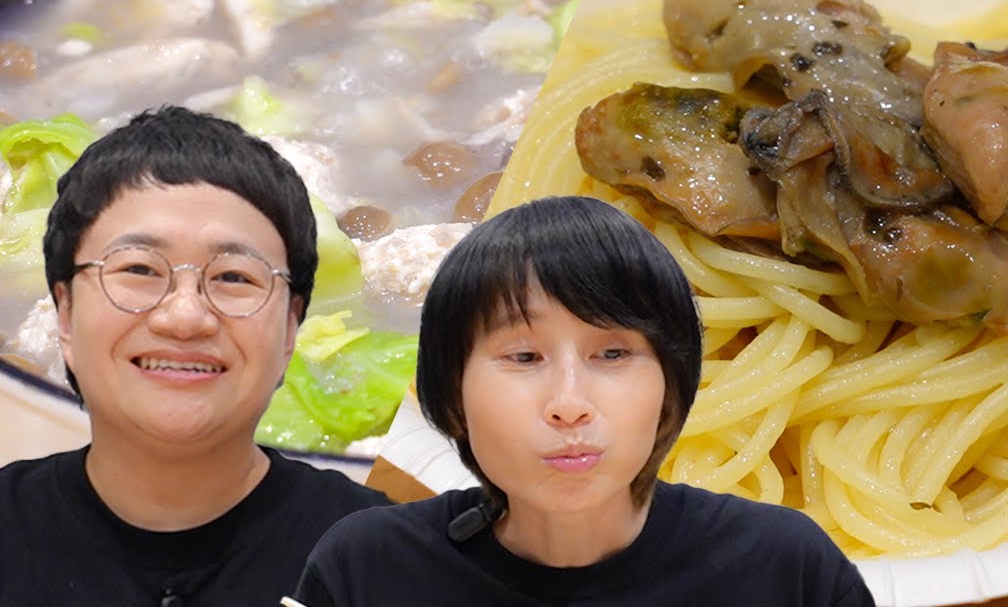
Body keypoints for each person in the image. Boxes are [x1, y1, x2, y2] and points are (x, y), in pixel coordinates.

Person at [294, 196, 875, 606]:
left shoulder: (781, 566)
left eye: (614, 355)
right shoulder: (369, 569)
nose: (569, 404)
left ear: (673, 385)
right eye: (523, 358)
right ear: (449, 395)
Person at [0, 106, 389, 607]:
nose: (184, 318)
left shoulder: (389, 561)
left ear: (292, 327)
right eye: (138, 269)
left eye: (234, 277)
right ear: (66, 313)